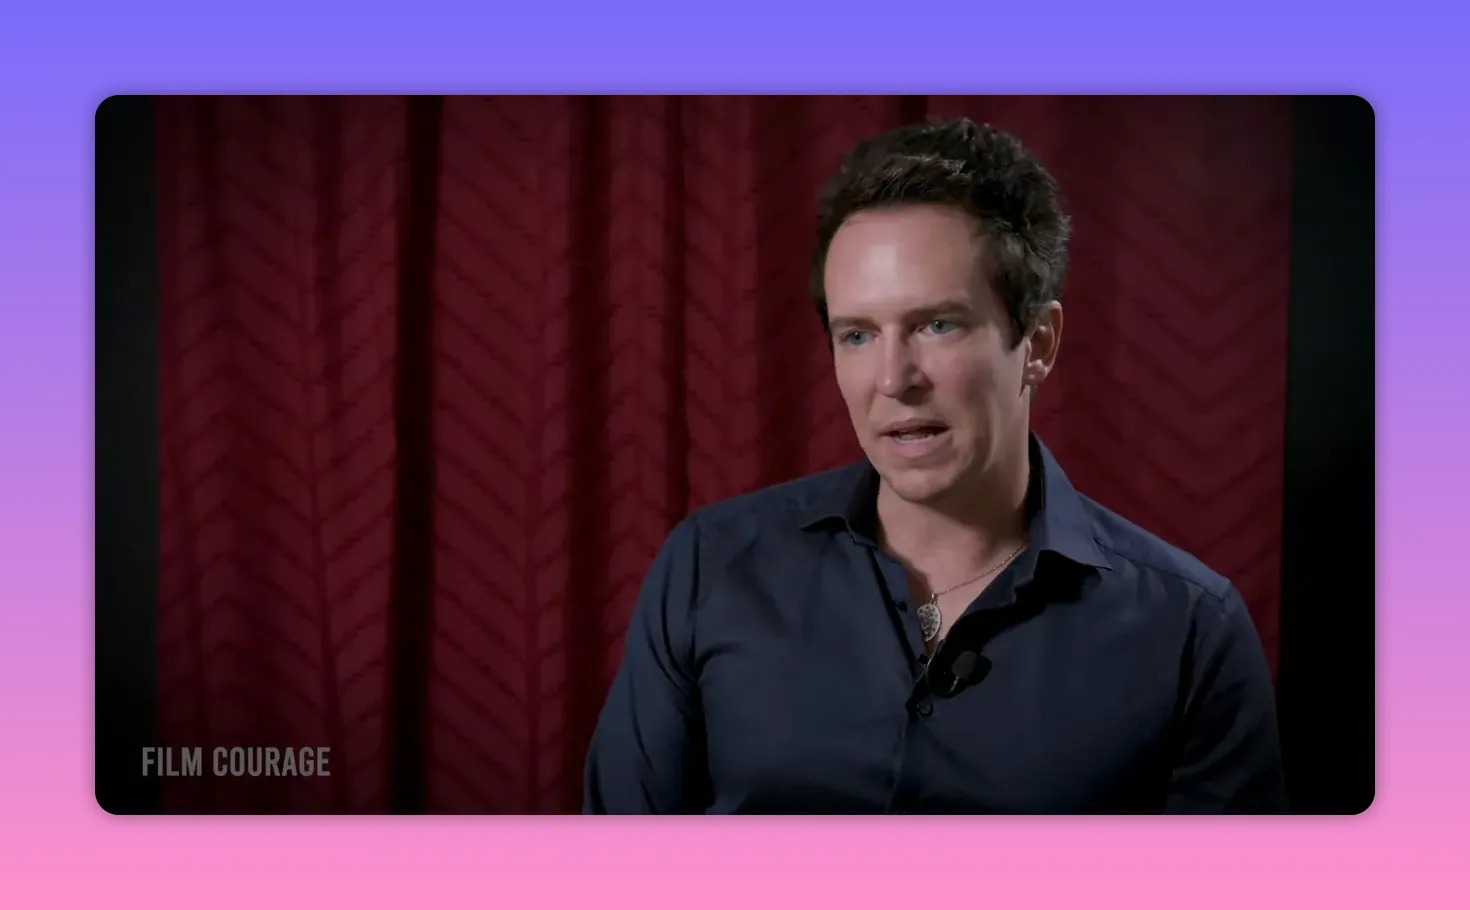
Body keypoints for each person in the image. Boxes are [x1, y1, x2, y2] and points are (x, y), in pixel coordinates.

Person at [582, 117, 1288, 814]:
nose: (892, 379)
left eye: (936, 325)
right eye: (857, 335)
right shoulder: (710, 567)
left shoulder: (1191, 630)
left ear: (1038, 342)